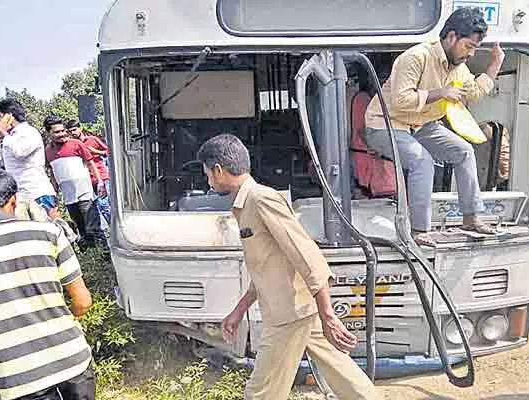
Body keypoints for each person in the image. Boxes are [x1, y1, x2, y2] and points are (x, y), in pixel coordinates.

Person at [197, 134, 377, 400]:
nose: (208, 180)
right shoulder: (245, 205)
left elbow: (307, 255)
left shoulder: (260, 200)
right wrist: (238, 311)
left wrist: (327, 314)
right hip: (296, 308)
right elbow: (266, 268)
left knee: (260, 393)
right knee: (345, 377)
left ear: (219, 171)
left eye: (207, 174)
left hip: (288, 315)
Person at [0, 158, 95, 400]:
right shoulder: (49, 234)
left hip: (16, 379)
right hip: (73, 364)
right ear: (14, 200)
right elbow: (83, 302)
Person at [363, 7, 505, 246]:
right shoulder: (416, 57)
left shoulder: (459, 68)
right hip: (385, 124)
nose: (470, 54)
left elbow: (475, 92)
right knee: (422, 161)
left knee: (463, 151)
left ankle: (470, 217)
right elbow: (402, 101)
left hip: (421, 125)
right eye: (468, 46)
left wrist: (495, 64)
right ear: (451, 37)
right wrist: (441, 93)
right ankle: (419, 231)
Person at [44, 116, 108, 250]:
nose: (62, 134)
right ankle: (90, 256)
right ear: (48, 133)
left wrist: (100, 183)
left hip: (85, 194)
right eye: (57, 132)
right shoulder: (48, 151)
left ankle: (104, 254)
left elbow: (91, 163)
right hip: (69, 198)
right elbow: (53, 174)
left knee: (93, 227)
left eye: (63, 131)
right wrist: (54, 192)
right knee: (81, 229)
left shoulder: (76, 144)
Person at [0, 99, 58, 218]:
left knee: (50, 231)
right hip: (20, 196)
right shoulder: (10, 137)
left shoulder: (29, 132)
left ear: (9, 116)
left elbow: (20, 151)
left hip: (37, 192)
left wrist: (4, 133)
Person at [66, 120, 111, 227]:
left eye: (74, 130)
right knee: (94, 209)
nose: (73, 133)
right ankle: (103, 236)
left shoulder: (92, 139)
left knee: (104, 206)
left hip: (101, 177)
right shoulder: (72, 145)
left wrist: (94, 151)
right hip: (85, 181)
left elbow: (109, 152)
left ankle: (115, 230)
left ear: (80, 128)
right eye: (70, 131)